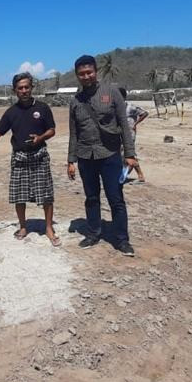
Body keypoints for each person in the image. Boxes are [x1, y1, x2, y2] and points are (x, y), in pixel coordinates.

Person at [0, 72, 61, 247]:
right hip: (19, 158)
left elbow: (52, 130)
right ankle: (22, 226)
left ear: (32, 87)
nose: (24, 90)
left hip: (40, 157)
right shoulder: (11, 112)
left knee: (46, 194)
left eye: (27, 87)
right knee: (19, 195)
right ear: (15, 90)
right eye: (20, 88)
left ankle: (49, 228)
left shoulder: (43, 108)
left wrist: (41, 138)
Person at [67, 55, 138, 257]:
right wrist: (71, 160)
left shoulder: (112, 92)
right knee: (91, 198)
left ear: (95, 72)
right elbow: (74, 133)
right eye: (81, 74)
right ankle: (93, 233)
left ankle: (122, 240)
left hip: (109, 155)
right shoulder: (75, 101)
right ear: (77, 76)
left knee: (116, 199)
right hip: (85, 157)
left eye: (89, 72)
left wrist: (130, 153)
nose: (86, 76)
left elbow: (124, 124)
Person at [119, 87, 149, 183]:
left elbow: (145, 113)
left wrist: (135, 124)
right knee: (122, 155)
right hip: (119, 134)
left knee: (129, 154)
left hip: (129, 134)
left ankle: (139, 176)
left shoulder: (131, 107)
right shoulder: (116, 108)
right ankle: (124, 174)